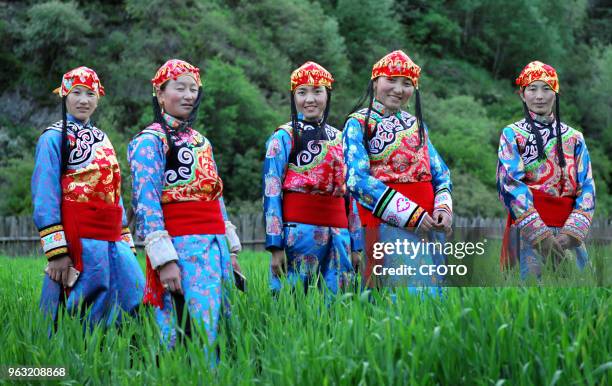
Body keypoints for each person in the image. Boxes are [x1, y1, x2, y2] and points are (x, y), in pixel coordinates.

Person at [128, 59, 242, 349]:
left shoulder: (202, 141)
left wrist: (231, 251)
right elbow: (146, 202)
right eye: (180, 88)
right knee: (186, 327)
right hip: (181, 249)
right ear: (160, 93)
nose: (189, 95)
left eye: (194, 89)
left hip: (215, 246)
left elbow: (216, 195)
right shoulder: (148, 141)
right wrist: (164, 260)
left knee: (221, 326)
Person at [32, 66, 144, 326]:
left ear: (99, 98)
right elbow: (44, 194)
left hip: (111, 233)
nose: (83, 100)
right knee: (79, 301)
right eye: (76, 93)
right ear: (64, 96)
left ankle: (123, 354)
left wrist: (125, 237)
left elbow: (113, 188)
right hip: (76, 233)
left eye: (90, 94)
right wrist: (57, 252)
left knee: (131, 292)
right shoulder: (52, 138)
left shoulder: (102, 138)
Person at [342, 50, 453, 290]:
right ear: (375, 82)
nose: (398, 89)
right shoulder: (358, 123)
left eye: (406, 83)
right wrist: (410, 215)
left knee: (435, 292)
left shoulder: (417, 125)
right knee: (407, 293)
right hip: (389, 221)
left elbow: (441, 173)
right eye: (391, 80)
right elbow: (357, 180)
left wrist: (443, 208)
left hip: (429, 221)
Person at [263, 61, 363, 294]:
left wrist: (356, 243)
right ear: (293, 96)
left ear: (327, 95)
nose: (310, 99)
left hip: (340, 234)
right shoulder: (283, 137)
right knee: (293, 301)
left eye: (317, 92)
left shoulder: (341, 139)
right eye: (302, 92)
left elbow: (352, 195)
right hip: (297, 235)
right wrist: (274, 244)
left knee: (341, 302)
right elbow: (271, 189)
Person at [496, 60, 595, 278]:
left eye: (546, 88)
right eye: (532, 89)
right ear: (522, 94)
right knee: (528, 300)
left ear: (556, 92)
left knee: (576, 296)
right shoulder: (512, 134)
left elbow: (587, 186)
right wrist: (541, 236)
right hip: (528, 231)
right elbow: (509, 185)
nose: (539, 96)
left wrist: (572, 233)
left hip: (568, 231)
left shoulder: (575, 138)